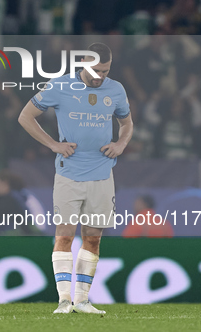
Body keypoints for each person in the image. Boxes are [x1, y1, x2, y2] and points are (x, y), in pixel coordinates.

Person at [18, 43, 133, 314]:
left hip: (103, 175)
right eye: (95, 70)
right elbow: (25, 116)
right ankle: (63, 301)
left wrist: (121, 144)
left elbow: (127, 123)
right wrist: (53, 144)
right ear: (83, 62)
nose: (99, 76)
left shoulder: (115, 89)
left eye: (105, 71)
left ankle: (82, 300)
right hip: (69, 174)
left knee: (93, 239)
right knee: (65, 236)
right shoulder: (60, 85)